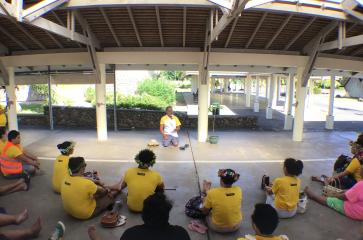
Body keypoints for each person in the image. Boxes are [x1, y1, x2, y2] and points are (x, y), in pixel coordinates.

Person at [305, 155, 363, 221]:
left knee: (332, 200)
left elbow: (344, 197)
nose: (361, 167)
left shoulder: (361, 183)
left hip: (358, 212)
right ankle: (325, 180)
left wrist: (334, 195)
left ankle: (313, 196)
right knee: (343, 190)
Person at [200, 169, 242, 233]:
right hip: (237, 225)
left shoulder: (212, 193)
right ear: (233, 181)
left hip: (218, 228)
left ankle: (203, 193)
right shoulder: (239, 190)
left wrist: (205, 193)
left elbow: (205, 211)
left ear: (221, 180)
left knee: (204, 205)